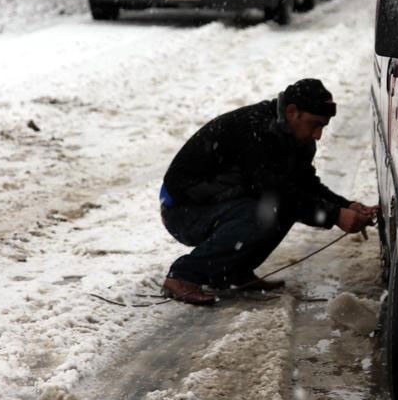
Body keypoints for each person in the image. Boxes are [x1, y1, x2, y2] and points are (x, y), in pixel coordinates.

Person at [158, 78, 378, 306]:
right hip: (182, 210)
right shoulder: (256, 130)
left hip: (222, 204)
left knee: (282, 207)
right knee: (266, 208)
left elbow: (304, 184)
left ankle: (231, 273)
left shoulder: (296, 136)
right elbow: (276, 191)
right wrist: (335, 216)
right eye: (315, 125)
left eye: (323, 126)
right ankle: (183, 276)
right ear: (292, 112)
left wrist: (345, 205)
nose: (318, 135)